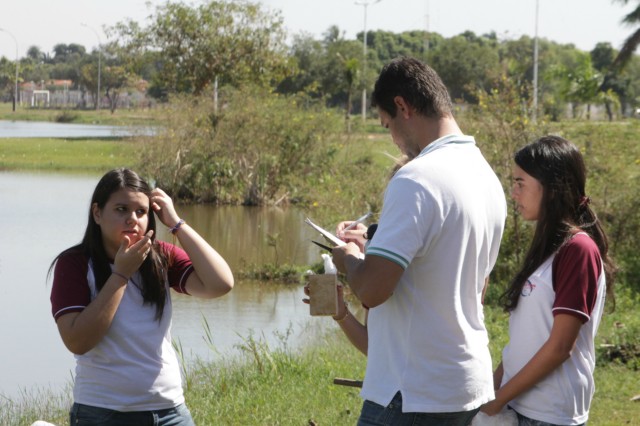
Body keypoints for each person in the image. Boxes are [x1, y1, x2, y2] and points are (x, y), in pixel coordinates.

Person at [330, 57, 507, 425]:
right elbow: (471, 285)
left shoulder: (416, 177)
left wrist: (347, 257)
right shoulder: (486, 176)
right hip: (464, 384)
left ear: (402, 107)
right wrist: (373, 248)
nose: (393, 138)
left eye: (387, 125)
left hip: (412, 393)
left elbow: (373, 291)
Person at [49, 168, 234, 426]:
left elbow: (220, 284)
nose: (132, 219)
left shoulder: (161, 257)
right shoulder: (75, 264)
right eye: (121, 209)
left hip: (170, 411)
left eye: (141, 212)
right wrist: (121, 275)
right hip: (103, 412)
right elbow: (77, 341)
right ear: (97, 213)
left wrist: (177, 224)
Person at [480, 136, 615, 425]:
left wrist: (499, 399)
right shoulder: (549, 248)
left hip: (550, 414)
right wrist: (495, 386)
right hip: (521, 404)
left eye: (520, 183)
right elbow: (528, 337)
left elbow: (559, 348)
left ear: (552, 187)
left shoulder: (578, 250)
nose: (513, 194)